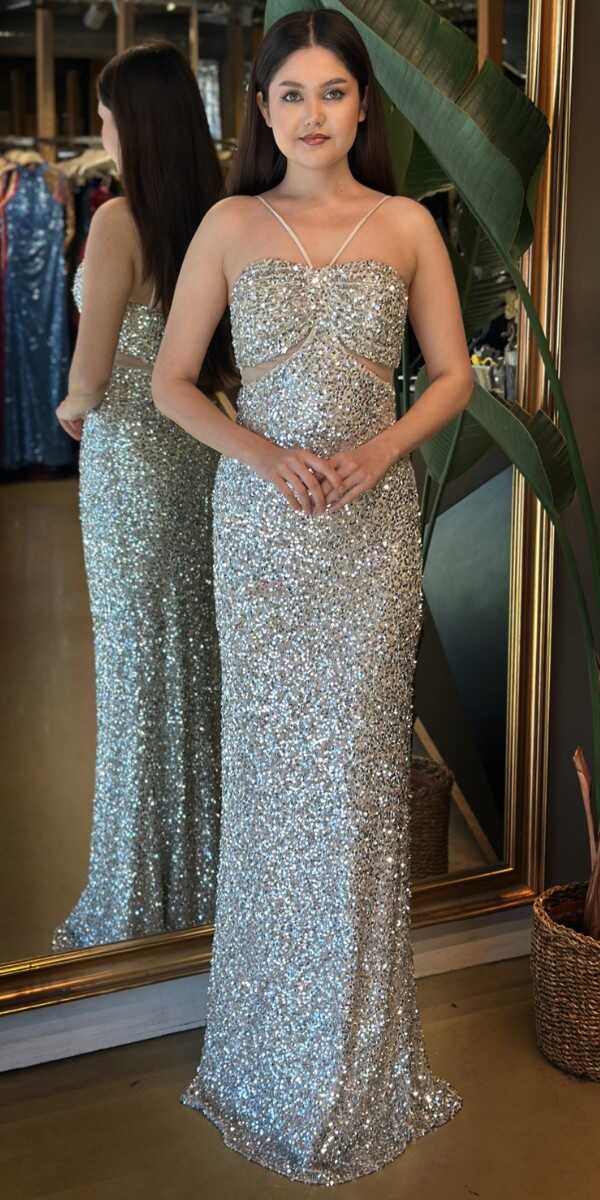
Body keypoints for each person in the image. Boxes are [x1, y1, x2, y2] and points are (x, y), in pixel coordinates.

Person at [152, 10, 472, 1186]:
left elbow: (454, 376)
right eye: (291, 94)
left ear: (363, 106)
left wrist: (380, 452)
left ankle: (357, 1060)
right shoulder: (230, 225)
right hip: (264, 537)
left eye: (333, 91)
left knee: (356, 781)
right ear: (261, 111)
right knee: (274, 783)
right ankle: (264, 1055)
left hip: (370, 541)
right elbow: (171, 383)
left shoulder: (408, 225)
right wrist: (262, 455)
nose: (313, 113)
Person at [52, 42, 232, 951]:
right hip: (198, 456)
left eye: (106, 115)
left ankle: (144, 896)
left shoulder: (119, 221)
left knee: (138, 679)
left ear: (134, 123)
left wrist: (69, 406)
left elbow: (89, 375)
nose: (101, 130)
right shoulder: (214, 212)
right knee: (199, 669)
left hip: (128, 464)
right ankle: (209, 883)